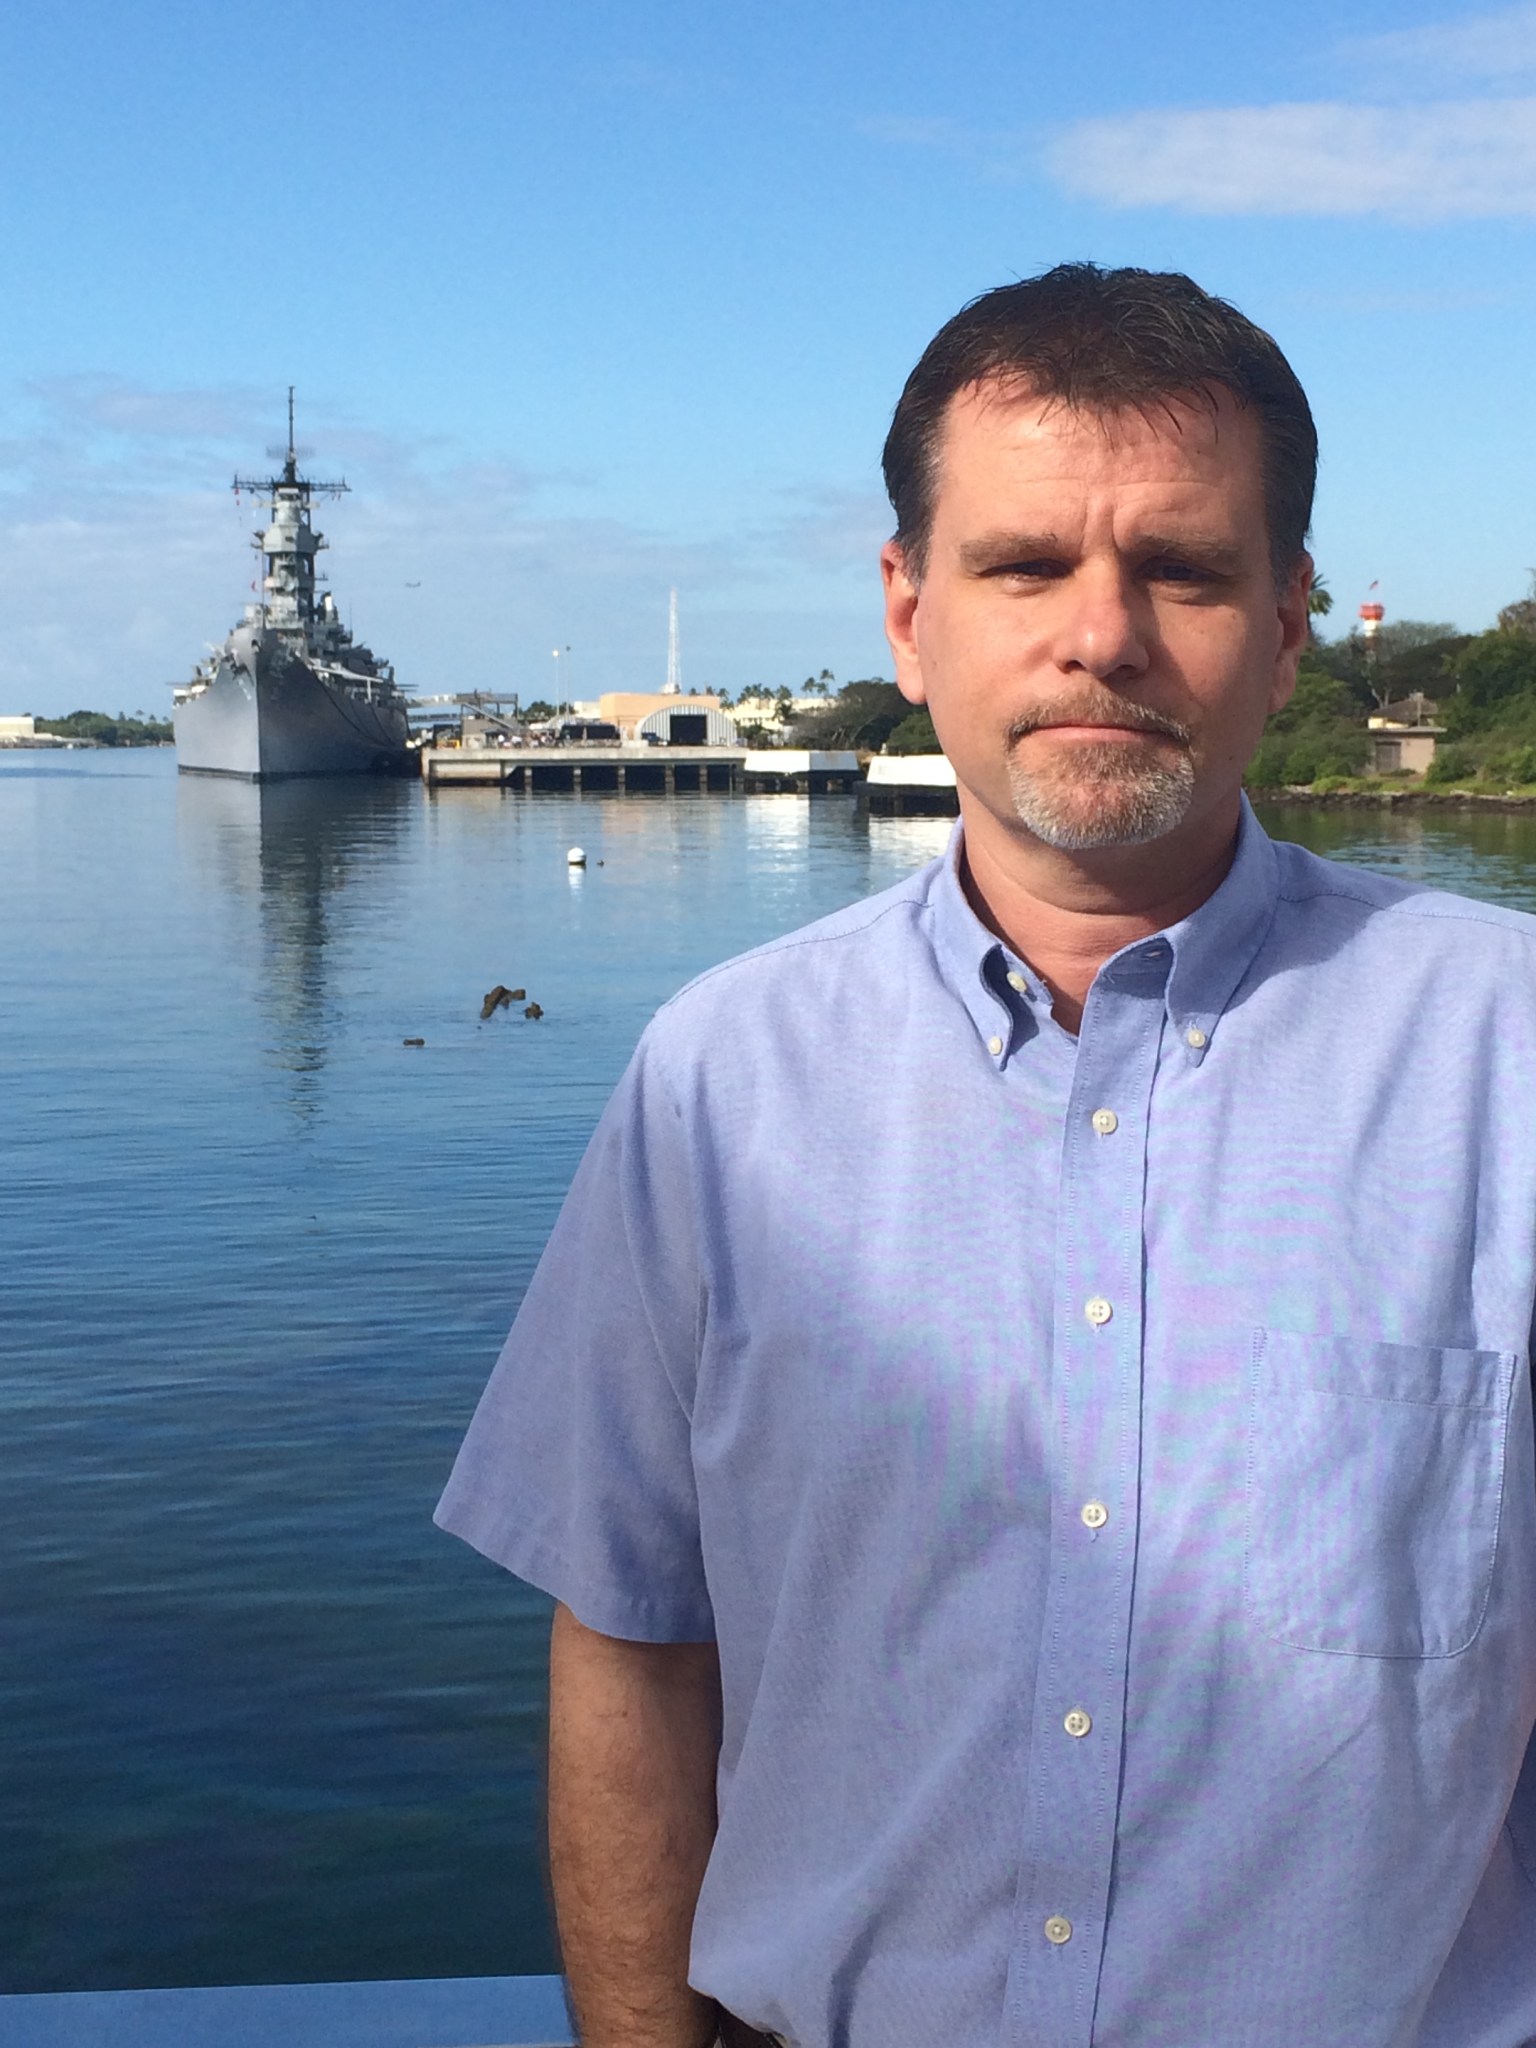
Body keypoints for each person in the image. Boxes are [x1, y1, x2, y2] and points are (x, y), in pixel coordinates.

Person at [437, 264, 1536, 2048]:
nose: (1101, 634)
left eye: (1182, 568)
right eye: (1024, 565)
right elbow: (637, 1646)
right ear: (907, 610)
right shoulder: (720, 1084)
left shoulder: (1511, 1061)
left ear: (1286, 625)